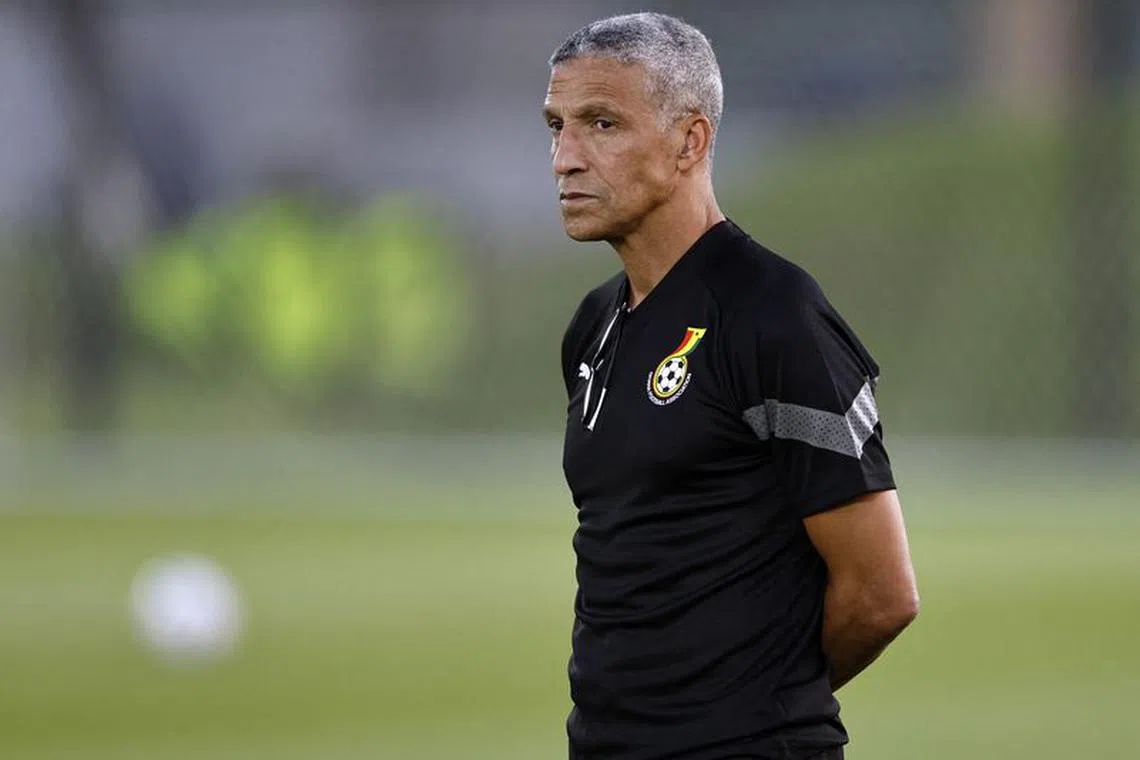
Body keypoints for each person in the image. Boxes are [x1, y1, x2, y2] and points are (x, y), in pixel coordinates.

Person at [544, 13, 920, 760]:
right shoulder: (593, 328)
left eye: (601, 123)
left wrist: (750, 703)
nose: (564, 157)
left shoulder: (773, 315)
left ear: (690, 141)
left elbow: (882, 595)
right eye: (556, 125)